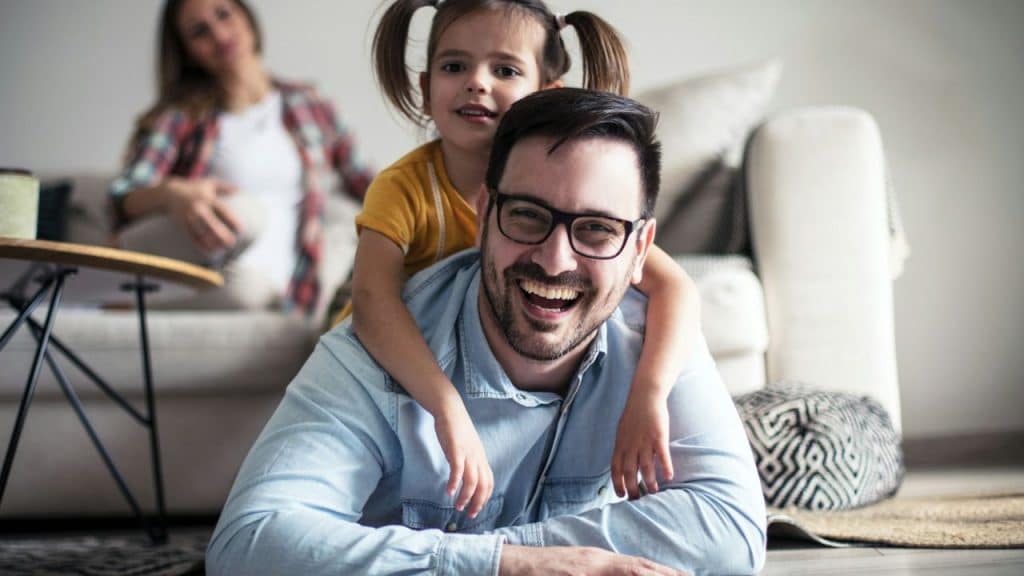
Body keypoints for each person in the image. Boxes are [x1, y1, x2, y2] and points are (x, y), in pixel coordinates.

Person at [207, 88, 766, 576]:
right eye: (526, 215)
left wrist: (509, 558)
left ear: (641, 248)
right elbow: (248, 545)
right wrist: (506, 566)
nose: (553, 260)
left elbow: (733, 528)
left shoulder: (655, 340)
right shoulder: (373, 352)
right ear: (482, 215)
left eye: (596, 229)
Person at [331, 0, 701, 519]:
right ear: (423, 87)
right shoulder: (403, 187)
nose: (476, 83)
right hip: (401, 366)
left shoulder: (572, 200)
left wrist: (648, 395)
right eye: (453, 66)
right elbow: (370, 302)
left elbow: (675, 287)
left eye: (504, 70)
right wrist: (445, 407)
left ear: (546, 95)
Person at [108, 0, 372, 313]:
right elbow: (124, 196)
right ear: (187, 51)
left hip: (292, 283)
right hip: (220, 272)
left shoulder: (309, 103)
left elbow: (360, 178)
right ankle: (119, 298)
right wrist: (173, 194)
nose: (219, 35)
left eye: (224, 14)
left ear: (246, 16)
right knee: (246, 225)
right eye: (199, 32)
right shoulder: (180, 117)